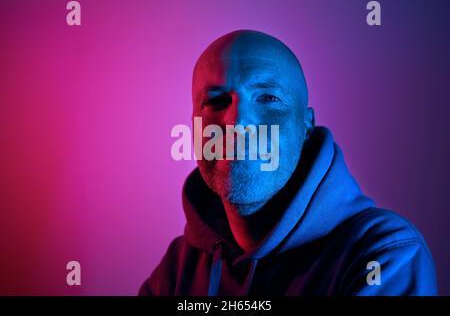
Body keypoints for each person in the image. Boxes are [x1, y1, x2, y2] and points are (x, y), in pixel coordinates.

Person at [139, 30, 437, 295]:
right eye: (215, 101)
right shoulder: (180, 267)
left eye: (268, 98)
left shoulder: (383, 255)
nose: (238, 123)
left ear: (306, 126)